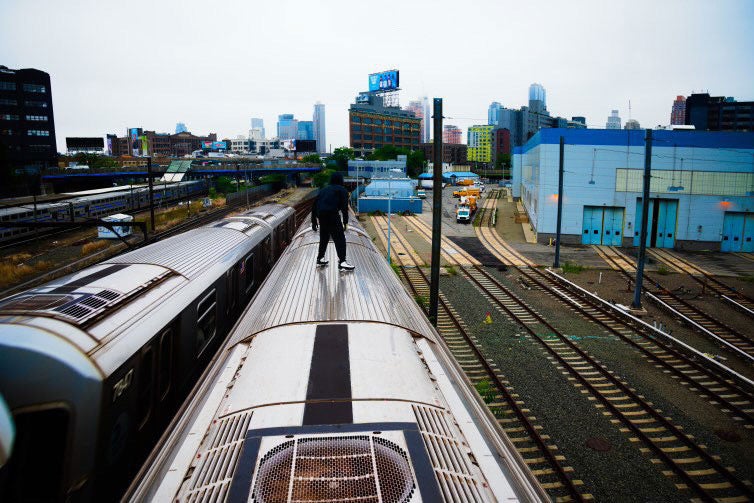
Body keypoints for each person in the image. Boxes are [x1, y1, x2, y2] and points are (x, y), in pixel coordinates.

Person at [312, 172, 355, 270]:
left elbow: (314, 205)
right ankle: (342, 262)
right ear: (341, 180)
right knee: (340, 239)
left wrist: (314, 221)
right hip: (332, 215)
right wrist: (345, 222)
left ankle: (320, 258)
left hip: (321, 216)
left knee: (324, 238)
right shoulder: (342, 190)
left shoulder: (323, 190)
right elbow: (345, 208)